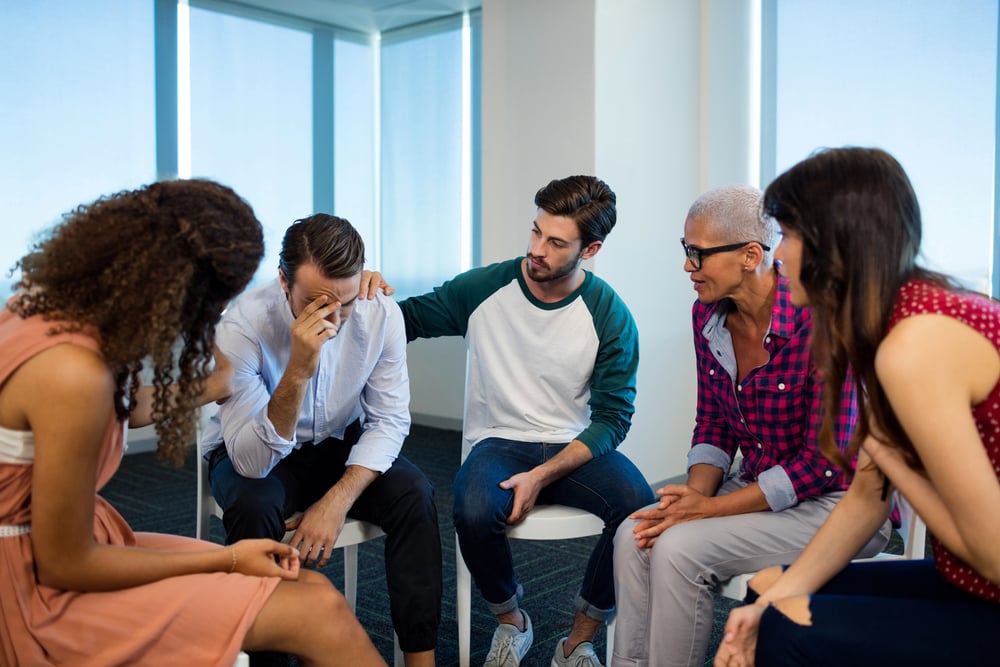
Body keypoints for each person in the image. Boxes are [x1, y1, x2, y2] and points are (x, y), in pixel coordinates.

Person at [0, 179, 385, 666]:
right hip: (35, 584)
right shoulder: (71, 374)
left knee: (306, 586)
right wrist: (225, 557)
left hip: (62, 545)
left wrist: (217, 381)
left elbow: (125, 406)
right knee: (318, 609)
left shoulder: (46, 312)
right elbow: (65, 563)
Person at [713, 147, 1000, 667]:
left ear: (834, 245)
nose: (780, 256)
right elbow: (868, 494)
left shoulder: (913, 346)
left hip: (988, 580)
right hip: (970, 580)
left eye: (791, 237)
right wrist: (775, 599)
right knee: (768, 594)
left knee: (785, 630)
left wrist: (889, 460)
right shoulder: (892, 318)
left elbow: (995, 555)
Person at [610, 185, 892, 667]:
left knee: (678, 550)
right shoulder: (707, 314)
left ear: (749, 255)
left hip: (838, 504)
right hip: (759, 489)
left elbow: (823, 466)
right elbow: (714, 422)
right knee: (635, 536)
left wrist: (708, 511)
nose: (687, 267)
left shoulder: (824, 319)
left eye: (697, 254)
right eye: (685, 251)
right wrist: (692, 499)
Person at [392, 175, 655, 667]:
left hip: (572, 444)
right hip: (498, 441)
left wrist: (540, 476)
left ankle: (578, 640)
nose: (536, 250)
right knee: (472, 509)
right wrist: (366, 291)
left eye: (556, 243)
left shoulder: (609, 314)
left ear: (590, 249)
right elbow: (403, 320)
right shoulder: (485, 287)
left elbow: (614, 418)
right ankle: (513, 621)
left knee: (640, 509)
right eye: (536, 232)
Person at [201, 213, 441, 667]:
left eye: (345, 302)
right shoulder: (243, 325)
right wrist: (298, 368)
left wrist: (336, 501)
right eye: (315, 301)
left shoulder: (380, 310)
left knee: (415, 494)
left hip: (334, 442)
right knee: (255, 504)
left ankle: (420, 660)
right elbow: (252, 463)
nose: (333, 317)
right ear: (283, 282)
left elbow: (389, 421)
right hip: (254, 447)